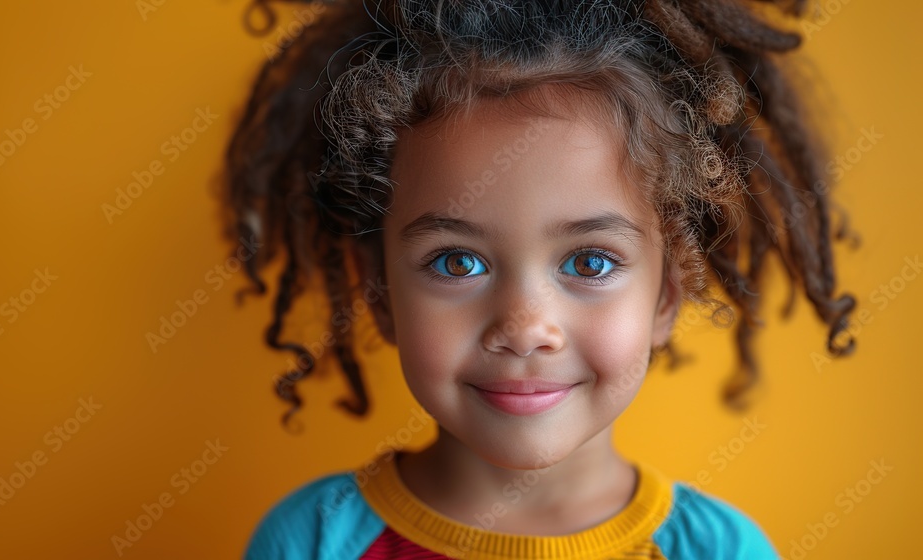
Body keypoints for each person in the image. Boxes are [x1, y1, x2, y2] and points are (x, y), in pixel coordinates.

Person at [224, 0, 857, 557]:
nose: (525, 328)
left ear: (666, 296)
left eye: (590, 262)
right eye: (456, 262)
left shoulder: (719, 551)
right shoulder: (311, 540)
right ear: (381, 294)